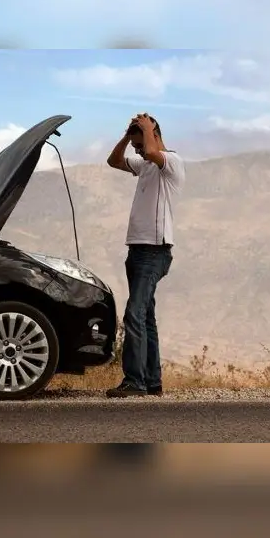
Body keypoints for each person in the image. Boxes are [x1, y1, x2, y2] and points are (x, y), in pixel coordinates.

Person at [104, 113, 185, 398]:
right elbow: (113, 161)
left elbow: (152, 150)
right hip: (137, 249)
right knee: (146, 316)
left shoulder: (170, 161)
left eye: (140, 145)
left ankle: (134, 382)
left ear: (155, 134)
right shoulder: (145, 166)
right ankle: (153, 382)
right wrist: (128, 137)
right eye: (136, 147)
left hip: (154, 250)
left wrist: (147, 130)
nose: (138, 152)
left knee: (134, 313)